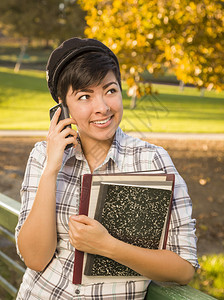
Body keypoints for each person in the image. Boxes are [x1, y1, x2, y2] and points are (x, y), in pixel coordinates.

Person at [15, 37, 199, 299]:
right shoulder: (42, 156)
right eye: (84, 96)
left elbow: (184, 269)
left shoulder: (153, 162)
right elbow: (34, 259)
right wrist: (51, 169)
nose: (102, 107)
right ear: (62, 105)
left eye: (110, 90)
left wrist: (108, 246)